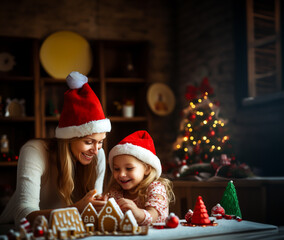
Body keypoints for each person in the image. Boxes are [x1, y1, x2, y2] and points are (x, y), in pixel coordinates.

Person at [0, 71, 111, 228]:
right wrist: (77, 209)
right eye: (88, 142)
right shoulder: (34, 151)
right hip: (12, 229)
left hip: (63, 229)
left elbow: (91, 212)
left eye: (100, 142)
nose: (96, 150)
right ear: (68, 139)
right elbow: (22, 215)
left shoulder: (98, 155)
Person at [105, 130, 175, 225]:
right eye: (116, 169)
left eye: (129, 168)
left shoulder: (155, 188)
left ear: (147, 169)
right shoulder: (116, 191)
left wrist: (137, 213)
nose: (121, 174)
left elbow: (153, 216)